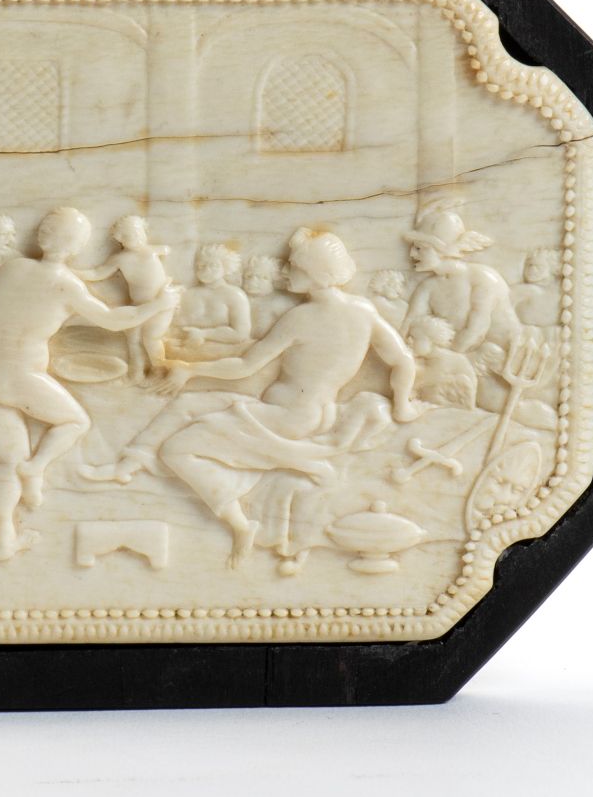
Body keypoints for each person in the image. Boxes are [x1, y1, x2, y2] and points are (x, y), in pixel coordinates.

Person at [155, 229, 419, 567]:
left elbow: (245, 366)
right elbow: (403, 361)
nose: (285, 271)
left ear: (315, 273)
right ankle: (289, 462)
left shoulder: (301, 317)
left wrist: (190, 369)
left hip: (285, 417)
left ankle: (251, 512)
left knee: (175, 450)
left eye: (293, 266)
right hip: (318, 413)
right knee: (193, 410)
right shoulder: (363, 310)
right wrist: (402, 405)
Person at [0, 207, 179, 560]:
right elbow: (113, 320)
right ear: (77, 247)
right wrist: (160, 303)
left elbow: (22, 311)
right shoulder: (65, 284)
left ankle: (5, 537)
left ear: (41, 236)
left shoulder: (11, 268)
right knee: (75, 421)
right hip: (18, 376)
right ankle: (36, 467)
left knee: (7, 461)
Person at [401, 202, 520, 355]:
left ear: (442, 251)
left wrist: (449, 359)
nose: (412, 254)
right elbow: (408, 323)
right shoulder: (427, 287)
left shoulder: (482, 278)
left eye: (419, 248)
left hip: (499, 355)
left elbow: (476, 330)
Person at [77, 215, 176, 380]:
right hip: (138, 306)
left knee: (151, 337)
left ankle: (159, 368)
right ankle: (137, 371)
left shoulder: (154, 250)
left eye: (139, 233)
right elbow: (97, 273)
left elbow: (168, 252)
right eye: (130, 236)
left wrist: (169, 286)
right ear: (120, 239)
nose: (137, 238)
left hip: (162, 303)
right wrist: (77, 273)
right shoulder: (120, 259)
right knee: (133, 339)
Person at [169, 243, 251, 353]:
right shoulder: (187, 294)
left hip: (222, 351)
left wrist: (203, 334)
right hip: (186, 349)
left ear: (225, 267)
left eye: (214, 265)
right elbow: (172, 324)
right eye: (201, 266)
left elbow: (241, 333)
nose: (207, 270)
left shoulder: (235, 295)